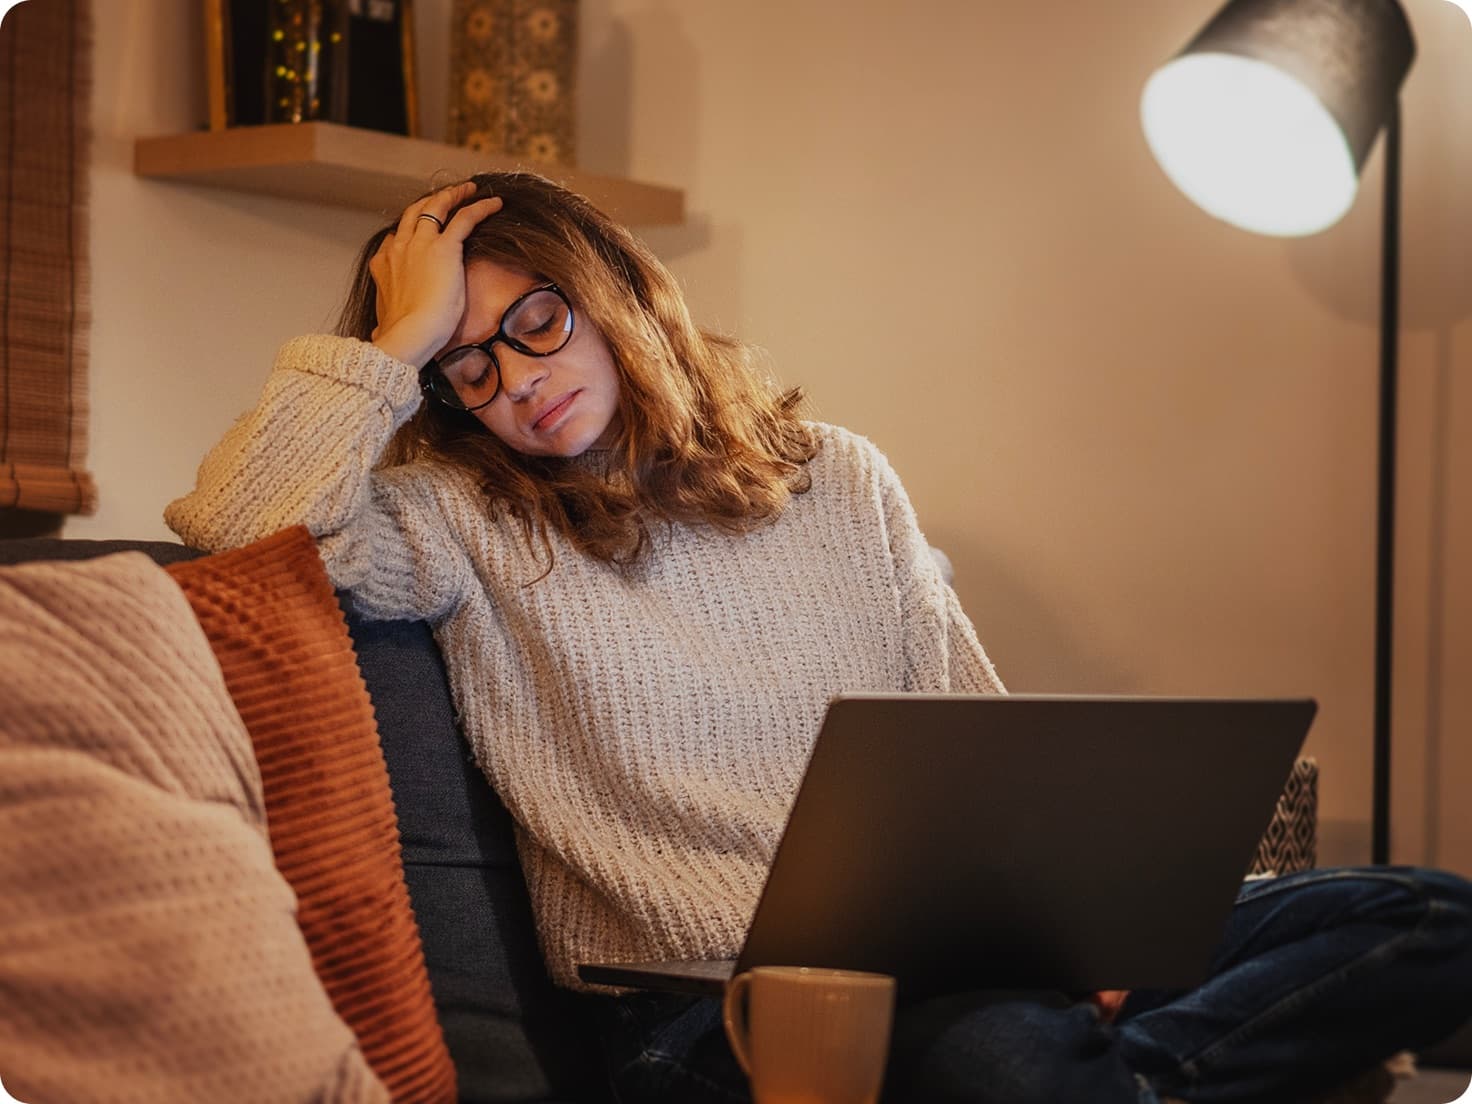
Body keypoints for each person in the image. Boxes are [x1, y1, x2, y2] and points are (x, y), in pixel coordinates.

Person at [166, 172, 1472, 1104]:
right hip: (706, 1019)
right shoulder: (459, 518)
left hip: (961, 959)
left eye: (536, 325)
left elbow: (976, 730)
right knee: (1003, 1058)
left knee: (1431, 918)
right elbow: (232, 529)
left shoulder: (836, 477)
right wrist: (388, 340)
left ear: (612, 290)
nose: (516, 384)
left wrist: (1084, 942)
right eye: (468, 368)